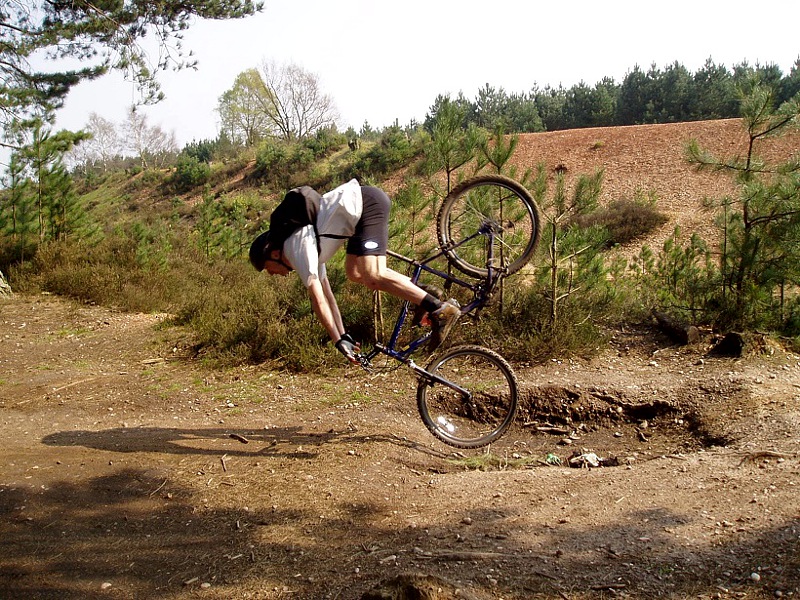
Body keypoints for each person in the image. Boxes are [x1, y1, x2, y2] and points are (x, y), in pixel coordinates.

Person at [249, 179, 460, 364]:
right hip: (356, 221)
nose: (272, 274)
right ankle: (422, 293)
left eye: (267, 268)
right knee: (355, 274)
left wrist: (337, 340)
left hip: (367, 203)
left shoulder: (295, 248)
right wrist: (342, 335)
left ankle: (438, 308)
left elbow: (317, 299)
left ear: (274, 254)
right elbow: (328, 297)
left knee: (373, 273)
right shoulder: (305, 248)